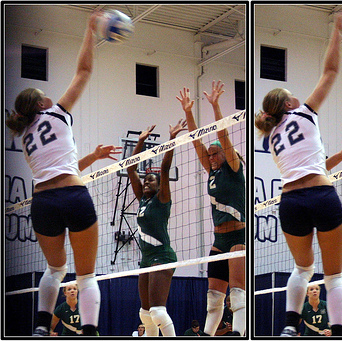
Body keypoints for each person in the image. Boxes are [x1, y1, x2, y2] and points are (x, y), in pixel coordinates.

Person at [5, 11, 119, 337]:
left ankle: (41, 328)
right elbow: (84, 70)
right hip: (74, 196)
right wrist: (89, 29)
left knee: (55, 269)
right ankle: (91, 330)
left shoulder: (25, 136)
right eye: (43, 96)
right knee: (86, 277)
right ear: (41, 105)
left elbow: (59, 169)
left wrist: (93, 157)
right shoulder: (56, 113)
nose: (48, 96)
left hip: (43, 203)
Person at [255, 12, 342, 337]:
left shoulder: (272, 136)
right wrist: (336, 29)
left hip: (290, 201)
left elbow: (307, 167)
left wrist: (340, 157)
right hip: (322, 196)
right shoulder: (303, 112)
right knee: (333, 276)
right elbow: (331, 70)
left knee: (303, 269)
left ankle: (289, 327)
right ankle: (341, 331)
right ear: (289, 102)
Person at [177, 81, 246, 336]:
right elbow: (197, 142)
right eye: (209, 154)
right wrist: (188, 112)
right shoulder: (211, 173)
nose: (210, 156)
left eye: (214, 153)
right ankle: (206, 335)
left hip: (239, 236)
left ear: (226, 156)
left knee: (238, 295)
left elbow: (222, 136)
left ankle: (238, 333)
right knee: (214, 297)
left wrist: (215, 106)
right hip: (219, 238)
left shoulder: (235, 170)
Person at [126, 119, 187, 337]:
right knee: (145, 314)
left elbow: (165, 168)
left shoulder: (162, 199)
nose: (146, 182)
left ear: (160, 185)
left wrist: (171, 139)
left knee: (158, 312)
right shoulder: (142, 200)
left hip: (162, 256)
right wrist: (140, 141)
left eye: (151, 180)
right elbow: (131, 168)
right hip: (146, 259)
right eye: (145, 180)